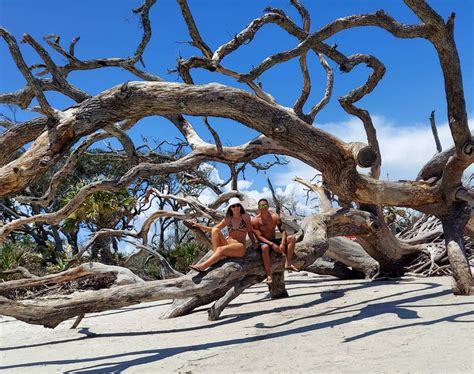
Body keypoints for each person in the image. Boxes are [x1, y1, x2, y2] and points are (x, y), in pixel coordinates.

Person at [189, 197, 257, 272]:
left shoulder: (245, 217)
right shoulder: (227, 219)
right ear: (230, 208)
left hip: (239, 247)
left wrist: (254, 243)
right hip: (227, 243)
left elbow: (250, 231)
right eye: (233, 206)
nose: (236, 207)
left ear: (240, 206)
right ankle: (218, 256)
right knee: (215, 230)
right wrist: (200, 226)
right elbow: (213, 229)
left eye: (238, 205)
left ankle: (202, 266)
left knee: (220, 249)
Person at [252, 198, 298, 284]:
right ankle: (269, 274)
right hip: (264, 242)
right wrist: (272, 244)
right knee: (265, 247)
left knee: (292, 238)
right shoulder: (255, 221)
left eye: (265, 205)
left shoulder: (275, 217)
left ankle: (288, 263)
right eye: (262, 206)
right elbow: (259, 237)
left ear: (268, 206)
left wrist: (283, 243)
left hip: (274, 240)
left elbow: (283, 231)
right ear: (259, 207)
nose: (264, 207)